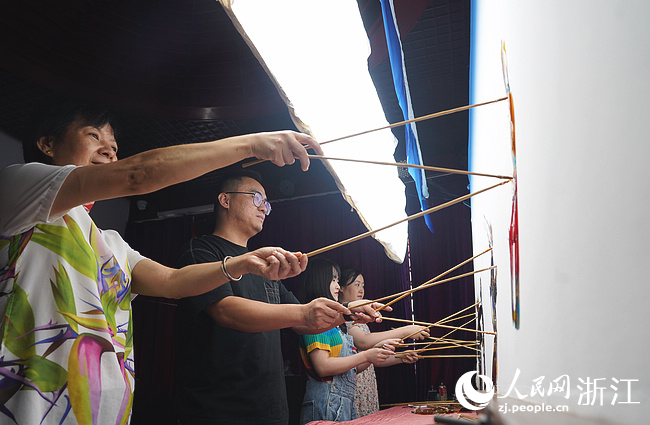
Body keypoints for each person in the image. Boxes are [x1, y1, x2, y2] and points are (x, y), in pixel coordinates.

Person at [0, 101, 324, 425]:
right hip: (27, 408)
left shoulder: (111, 242)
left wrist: (242, 264)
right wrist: (251, 145)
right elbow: (136, 175)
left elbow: (172, 282)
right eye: (94, 135)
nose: (110, 151)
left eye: (114, 147)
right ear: (47, 143)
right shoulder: (19, 185)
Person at [172, 171, 386, 425]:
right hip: (217, 409)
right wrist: (307, 313)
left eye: (267, 203)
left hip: (269, 408)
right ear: (225, 200)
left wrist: (348, 312)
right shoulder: (201, 250)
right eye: (256, 198)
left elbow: (305, 323)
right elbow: (226, 311)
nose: (264, 208)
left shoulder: (262, 265)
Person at [297, 258, 399, 424]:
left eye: (338, 280)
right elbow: (323, 367)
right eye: (333, 280)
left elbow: (352, 368)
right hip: (326, 403)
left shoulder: (336, 324)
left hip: (342, 403)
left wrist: (376, 352)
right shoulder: (316, 320)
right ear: (319, 280)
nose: (337, 286)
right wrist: (366, 356)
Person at [338, 267, 430, 417]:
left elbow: (373, 358)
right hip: (354, 387)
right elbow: (364, 342)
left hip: (367, 386)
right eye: (356, 284)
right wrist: (406, 331)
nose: (361, 289)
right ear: (341, 287)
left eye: (363, 285)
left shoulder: (361, 318)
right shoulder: (342, 318)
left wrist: (401, 357)